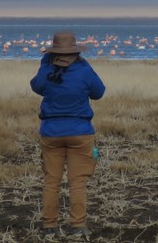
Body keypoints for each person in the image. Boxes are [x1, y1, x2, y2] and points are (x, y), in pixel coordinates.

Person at [30, 31, 106, 241]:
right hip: (81, 133)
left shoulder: (47, 70)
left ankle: (49, 226)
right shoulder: (83, 69)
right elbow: (99, 92)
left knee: (51, 181)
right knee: (78, 182)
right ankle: (78, 226)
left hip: (51, 133)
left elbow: (36, 86)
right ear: (75, 50)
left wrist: (46, 62)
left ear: (53, 51)